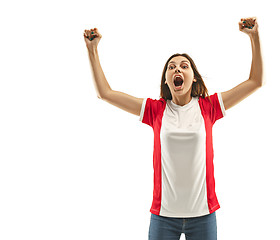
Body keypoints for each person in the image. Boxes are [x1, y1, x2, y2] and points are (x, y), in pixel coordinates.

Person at [83, 16, 263, 240]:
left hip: (204, 215)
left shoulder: (210, 107)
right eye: (172, 67)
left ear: (194, 79)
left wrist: (254, 36)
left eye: (184, 66)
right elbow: (105, 93)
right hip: (163, 217)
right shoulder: (155, 110)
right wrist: (92, 49)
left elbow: (256, 81)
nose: (177, 69)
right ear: (167, 80)